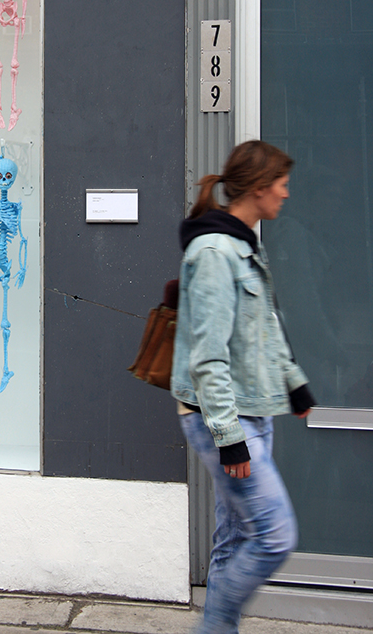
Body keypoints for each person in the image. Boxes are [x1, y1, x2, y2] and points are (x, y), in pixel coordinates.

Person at [172, 140, 316, 634]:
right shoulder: (214, 252)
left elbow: (266, 326)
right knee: (275, 536)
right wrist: (229, 438)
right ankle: (216, 624)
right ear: (258, 188)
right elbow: (206, 358)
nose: (286, 194)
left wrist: (294, 385)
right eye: (282, 184)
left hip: (254, 410)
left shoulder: (242, 243)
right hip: (225, 420)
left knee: (236, 537)